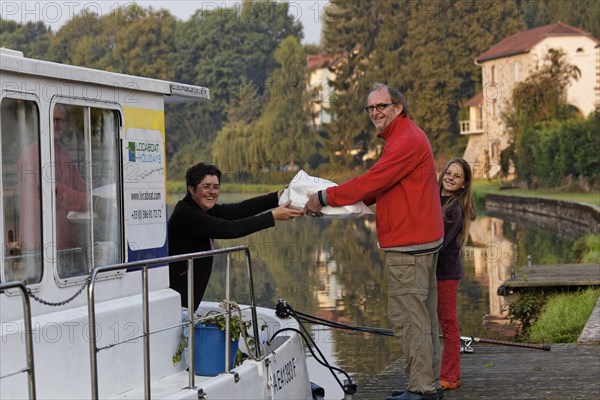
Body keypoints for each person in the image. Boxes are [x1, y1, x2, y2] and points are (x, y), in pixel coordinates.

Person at [304, 83, 444, 400]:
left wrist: (324, 197)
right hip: (422, 239)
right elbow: (379, 187)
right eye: (370, 108)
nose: (375, 112)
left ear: (398, 107)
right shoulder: (404, 137)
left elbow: (372, 180)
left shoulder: (405, 140)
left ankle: (421, 389)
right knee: (422, 319)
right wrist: (334, 203)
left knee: (408, 319)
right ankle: (428, 385)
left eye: (381, 106)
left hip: (409, 245)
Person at [168, 162, 303, 312]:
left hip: (185, 303)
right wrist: (272, 216)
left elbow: (239, 209)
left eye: (216, 187)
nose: (212, 192)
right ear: (191, 189)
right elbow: (229, 229)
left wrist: (277, 197)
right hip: (177, 304)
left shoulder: (202, 209)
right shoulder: (186, 214)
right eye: (206, 186)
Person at [18, 103, 88, 252]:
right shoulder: (31, 154)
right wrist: (88, 201)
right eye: (53, 119)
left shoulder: (64, 154)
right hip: (37, 245)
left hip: (63, 244)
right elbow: (54, 191)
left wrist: (88, 199)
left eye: (60, 120)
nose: (57, 125)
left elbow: (81, 187)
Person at [436, 157, 475, 392]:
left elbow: (439, 243)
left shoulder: (454, 209)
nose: (450, 178)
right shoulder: (432, 198)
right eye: (448, 173)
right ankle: (446, 374)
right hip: (432, 272)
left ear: (463, 184)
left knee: (448, 324)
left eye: (457, 176)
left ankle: (450, 376)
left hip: (445, 274)